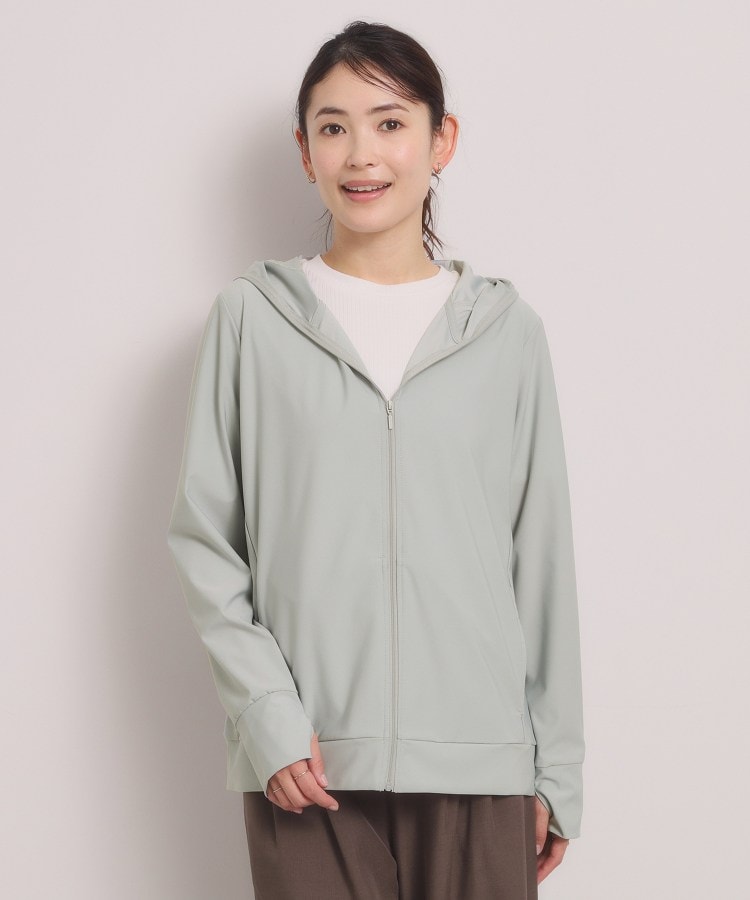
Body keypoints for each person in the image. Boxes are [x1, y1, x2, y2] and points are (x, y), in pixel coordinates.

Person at [166, 19, 585, 900]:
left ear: (442, 140)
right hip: (307, 762)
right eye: (334, 126)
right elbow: (206, 543)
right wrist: (265, 715)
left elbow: (541, 561)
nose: (361, 153)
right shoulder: (251, 321)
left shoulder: (507, 333)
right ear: (304, 150)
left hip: (481, 763)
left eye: (390, 123)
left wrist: (557, 769)